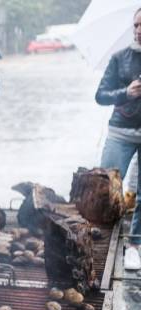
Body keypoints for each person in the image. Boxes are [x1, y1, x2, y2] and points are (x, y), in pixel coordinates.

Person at [96, 7, 141, 270]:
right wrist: (126, 92)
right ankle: (99, 242)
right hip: (120, 133)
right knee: (105, 190)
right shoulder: (119, 58)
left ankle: (135, 245)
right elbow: (101, 95)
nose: (138, 30)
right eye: (136, 25)